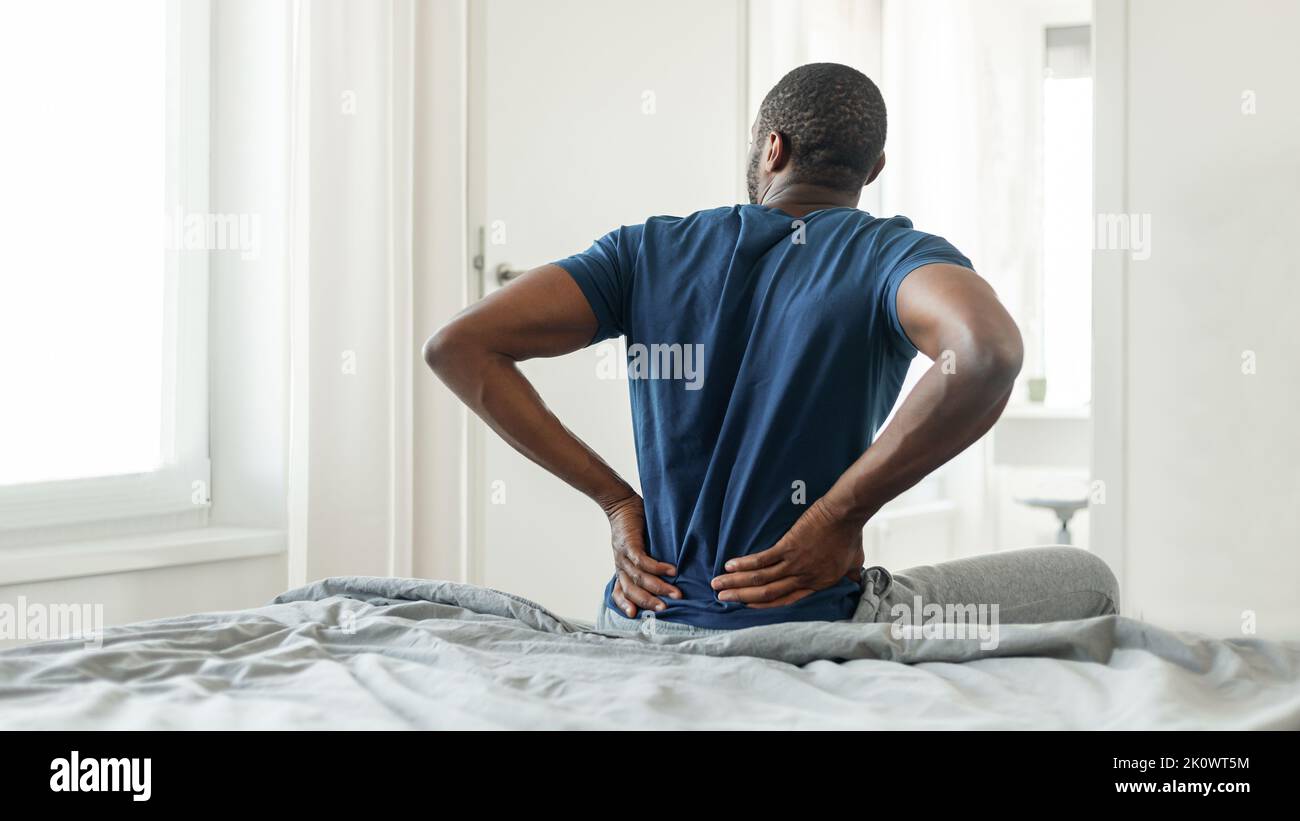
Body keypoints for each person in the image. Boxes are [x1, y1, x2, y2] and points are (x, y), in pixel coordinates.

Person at [426, 62, 1118, 638]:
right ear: (872, 170)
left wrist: (615, 502)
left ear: (771, 150)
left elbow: (459, 346)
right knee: (1087, 577)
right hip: (799, 625)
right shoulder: (889, 256)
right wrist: (835, 518)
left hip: (641, 619)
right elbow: (988, 351)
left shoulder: (645, 250)